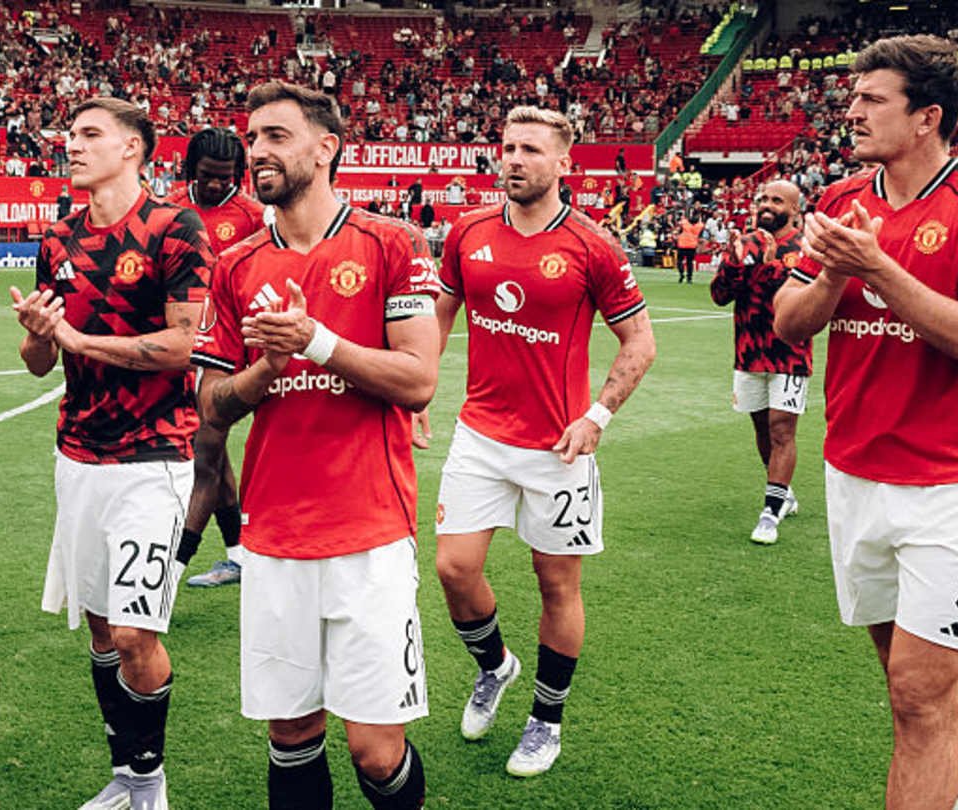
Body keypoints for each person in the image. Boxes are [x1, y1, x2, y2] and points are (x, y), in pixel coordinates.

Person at [192, 80, 439, 810]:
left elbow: (419, 378)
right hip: (273, 536)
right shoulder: (236, 265)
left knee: (375, 747)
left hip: (369, 532)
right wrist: (266, 369)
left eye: (275, 135)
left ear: (326, 148)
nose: (256, 150)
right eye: (252, 137)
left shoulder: (392, 243)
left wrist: (318, 342)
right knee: (292, 730)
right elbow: (207, 405)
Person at [774, 35, 958, 810]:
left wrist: (879, 268)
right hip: (853, 471)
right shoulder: (842, 202)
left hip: (952, 481)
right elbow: (789, 324)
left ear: (927, 117)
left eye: (873, 99)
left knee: (919, 698)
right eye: (854, 96)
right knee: (906, 688)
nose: (852, 111)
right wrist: (840, 267)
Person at [414, 105, 655, 779]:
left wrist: (597, 417)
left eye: (530, 149)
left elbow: (640, 340)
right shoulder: (467, 232)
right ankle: (495, 667)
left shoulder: (592, 245)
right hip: (480, 435)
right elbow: (440, 312)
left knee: (556, 583)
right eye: (508, 146)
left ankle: (545, 721)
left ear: (562, 163)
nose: (514, 159)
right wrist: (421, 388)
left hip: (559, 449)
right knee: (454, 570)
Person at [11, 97, 212, 810]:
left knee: (133, 632)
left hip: (153, 458)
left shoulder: (173, 228)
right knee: (100, 623)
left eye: (90, 135)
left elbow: (183, 345)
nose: (73, 145)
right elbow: (39, 363)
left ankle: (150, 782)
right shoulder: (58, 238)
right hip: (78, 456)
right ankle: (125, 774)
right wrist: (39, 331)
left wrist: (82, 342)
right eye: (70, 134)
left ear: (133, 148)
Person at [163, 126, 267, 588]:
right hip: (180, 347)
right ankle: (239, 556)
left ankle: (170, 570)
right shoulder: (169, 205)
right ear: (191, 170)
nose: (215, 185)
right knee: (215, 455)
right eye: (207, 176)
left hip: (226, 354)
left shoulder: (252, 215)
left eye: (226, 178)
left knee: (203, 456)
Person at [710, 180, 811, 545]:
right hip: (749, 352)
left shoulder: (806, 247)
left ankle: (770, 512)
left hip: (790, 352)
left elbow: (802, 297)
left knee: (783, 429)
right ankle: (783, 491)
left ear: (795, 209)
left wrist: (769, 269)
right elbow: (720, 296)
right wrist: (736, 265)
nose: (766, 205)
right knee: (763, 430)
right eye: (762, 199)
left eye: (776, 200)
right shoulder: (745, 241)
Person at [675, 212, 704, 283]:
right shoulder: (700, 226)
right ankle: (689, 278)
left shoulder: (684, 223)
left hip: (682, 244)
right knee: (689, 262)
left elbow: (679, 229)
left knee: (679, 261)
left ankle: (681, 274)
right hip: (692, 245)